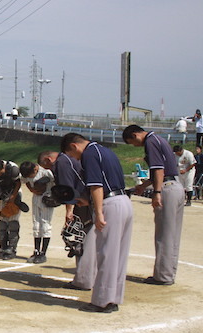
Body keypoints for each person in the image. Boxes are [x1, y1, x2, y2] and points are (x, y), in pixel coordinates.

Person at [62, 133, 133, 313]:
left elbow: (96, 185)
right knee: (119, 254)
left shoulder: (89, 153)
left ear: (74, 146)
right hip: (123, 200)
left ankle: (102, 301)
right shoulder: (105, 150)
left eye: (72, 155)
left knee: (106, 253)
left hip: (110, 205)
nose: (75, 159)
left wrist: (99, 211)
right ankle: (114, 298)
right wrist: (90, 202)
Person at [122, 125, 184, 286]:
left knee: (164, 234)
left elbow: (158, 169)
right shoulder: (159, 139)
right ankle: (168, 273)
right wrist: (145, 185)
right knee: (173, 234)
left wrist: (156, 192)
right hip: (175, 186)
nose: (135, 146)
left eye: (132, 142)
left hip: (167, 189)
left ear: (135, 135)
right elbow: (163, 171)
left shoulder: (150, 141)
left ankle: (163, 276)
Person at [38, 150, 97, 290]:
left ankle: (83, 279)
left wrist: (69, 211)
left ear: (48, 159)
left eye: (47, 166)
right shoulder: (69, 159)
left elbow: (68, 190)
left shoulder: (61, 163)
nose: (50, 170)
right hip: (91, 199)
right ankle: (91, 277)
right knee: (90, 237)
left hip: (83, 202)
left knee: (80, 238)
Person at [0, 159, 29, 260]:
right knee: (2, 223)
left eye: (0, 173)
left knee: (13, 223)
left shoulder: (13, 169)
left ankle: (12, 249)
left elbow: (18, 183)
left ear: (3, 167)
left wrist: (13, 197)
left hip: (14, 194)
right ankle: (3, 248)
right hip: (3, 194)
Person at [19, 161, 55, 264]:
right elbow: (24, 180)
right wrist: (32, 189)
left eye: (31, 175)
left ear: (35, 169)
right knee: (36, 224)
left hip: (47, 199)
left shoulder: (46, 173)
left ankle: (43, 253)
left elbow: (55, 182)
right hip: (36, 199)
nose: (30, 177)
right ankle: (36, 250)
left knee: (45, 224)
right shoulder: (27, 172)